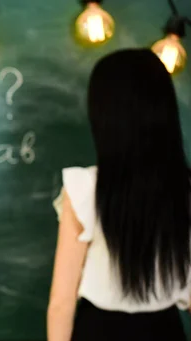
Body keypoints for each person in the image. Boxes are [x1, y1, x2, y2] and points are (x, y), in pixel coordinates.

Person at [47, 48, 191, 341]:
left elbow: (61, 304)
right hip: (165, 331)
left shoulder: (85, 188)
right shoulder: (185, 189)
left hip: (98, 331)